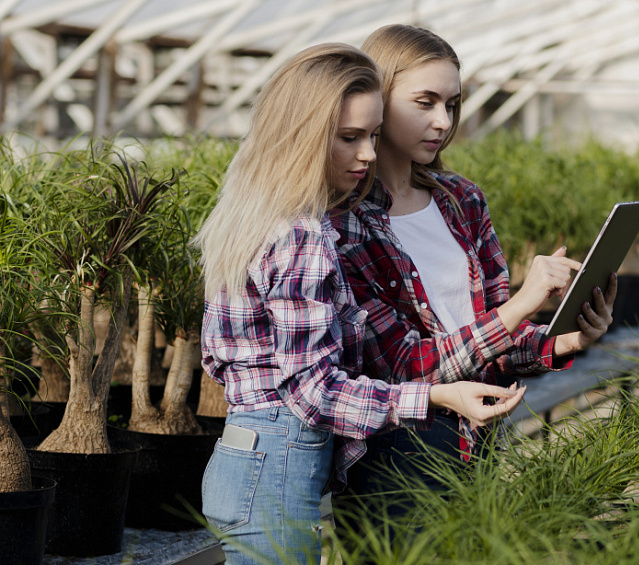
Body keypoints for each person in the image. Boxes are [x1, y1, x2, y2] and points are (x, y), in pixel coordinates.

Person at [194, 43, 525, 565]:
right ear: (301, 134)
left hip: (251, 452)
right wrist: (434, 397)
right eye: (349, 138)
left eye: (372, 135)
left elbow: (223, 361)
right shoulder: (302, 235)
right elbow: (312, 393)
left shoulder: (254, 216)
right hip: (277, 462)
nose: (368, 154)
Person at [329, 24, 617, 544]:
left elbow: (490, 344)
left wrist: (564, 340)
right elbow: (405, 365)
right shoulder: (343, 222)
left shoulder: (461, 199)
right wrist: (521, 306)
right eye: (424, 102)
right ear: (377, 97)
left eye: (452, 104)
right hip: (397, 455)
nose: (443, 121)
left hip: (477, 437)